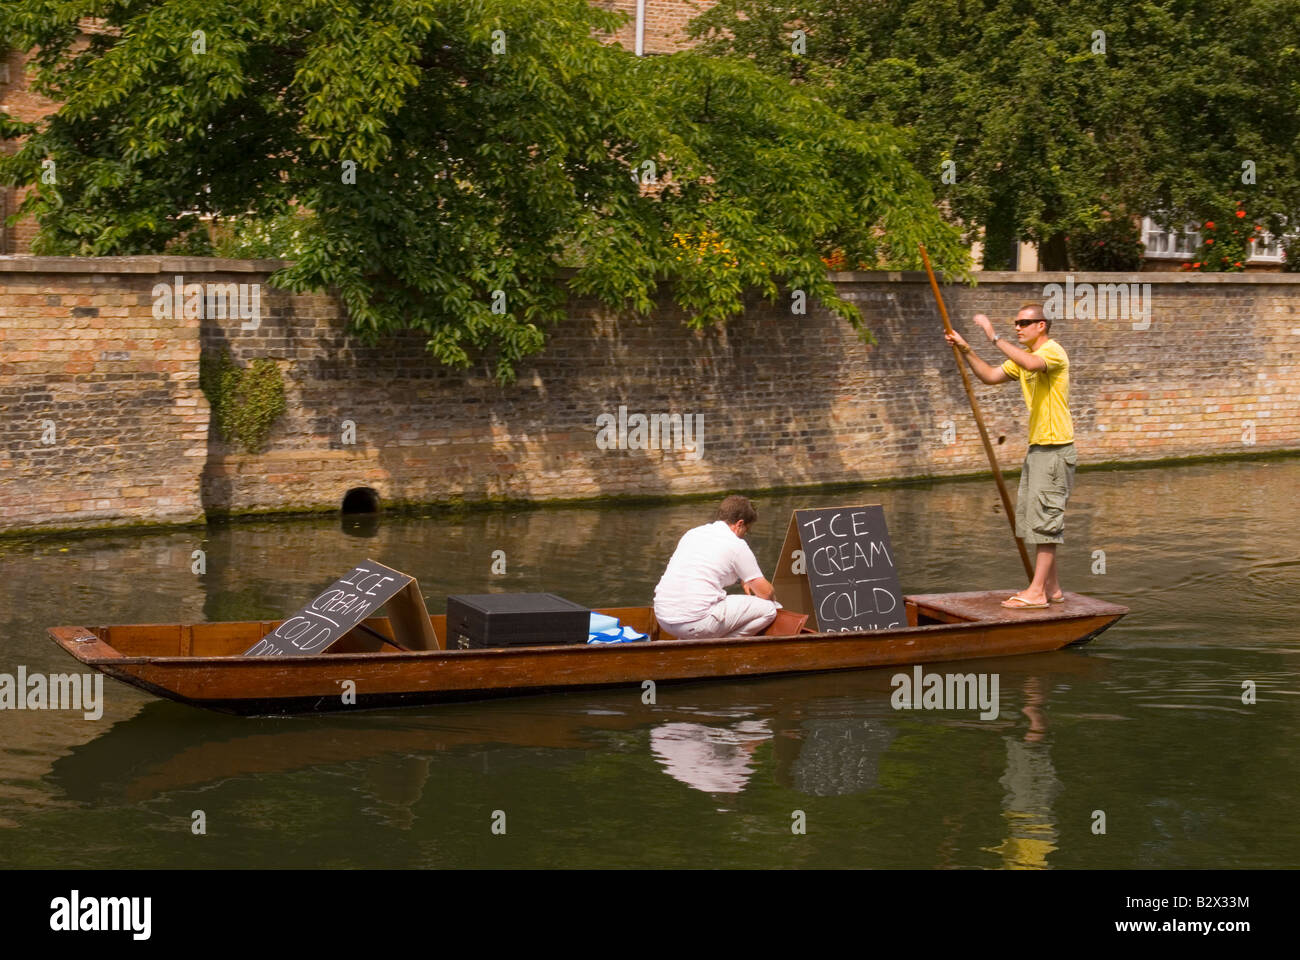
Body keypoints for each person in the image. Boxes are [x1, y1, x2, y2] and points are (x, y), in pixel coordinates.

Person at [944, 303, 1075, 609]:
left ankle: (1037, 592)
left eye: (1024, 322)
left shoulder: (1053, 352)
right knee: (1035, 518)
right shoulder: (1023, 358)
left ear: (1041, 325)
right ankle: (1052, 588)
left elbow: (1031, 364)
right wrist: (966, 349)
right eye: (1016, 322)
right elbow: (989, 375)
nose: (1018, 327)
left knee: (1046, 521)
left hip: (1056, 448)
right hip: (1039, 447)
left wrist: (993, 337)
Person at [653, 495, 779, 638]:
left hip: (663, 616)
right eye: (746, 530)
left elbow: (704, 570)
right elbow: (766, 593)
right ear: (739, 524)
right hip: (694, 622)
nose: (744, 535)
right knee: (769, 609)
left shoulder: (693, 533)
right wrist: (776, 602)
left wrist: (743, 579)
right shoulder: (736, 544)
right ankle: (724, 647)